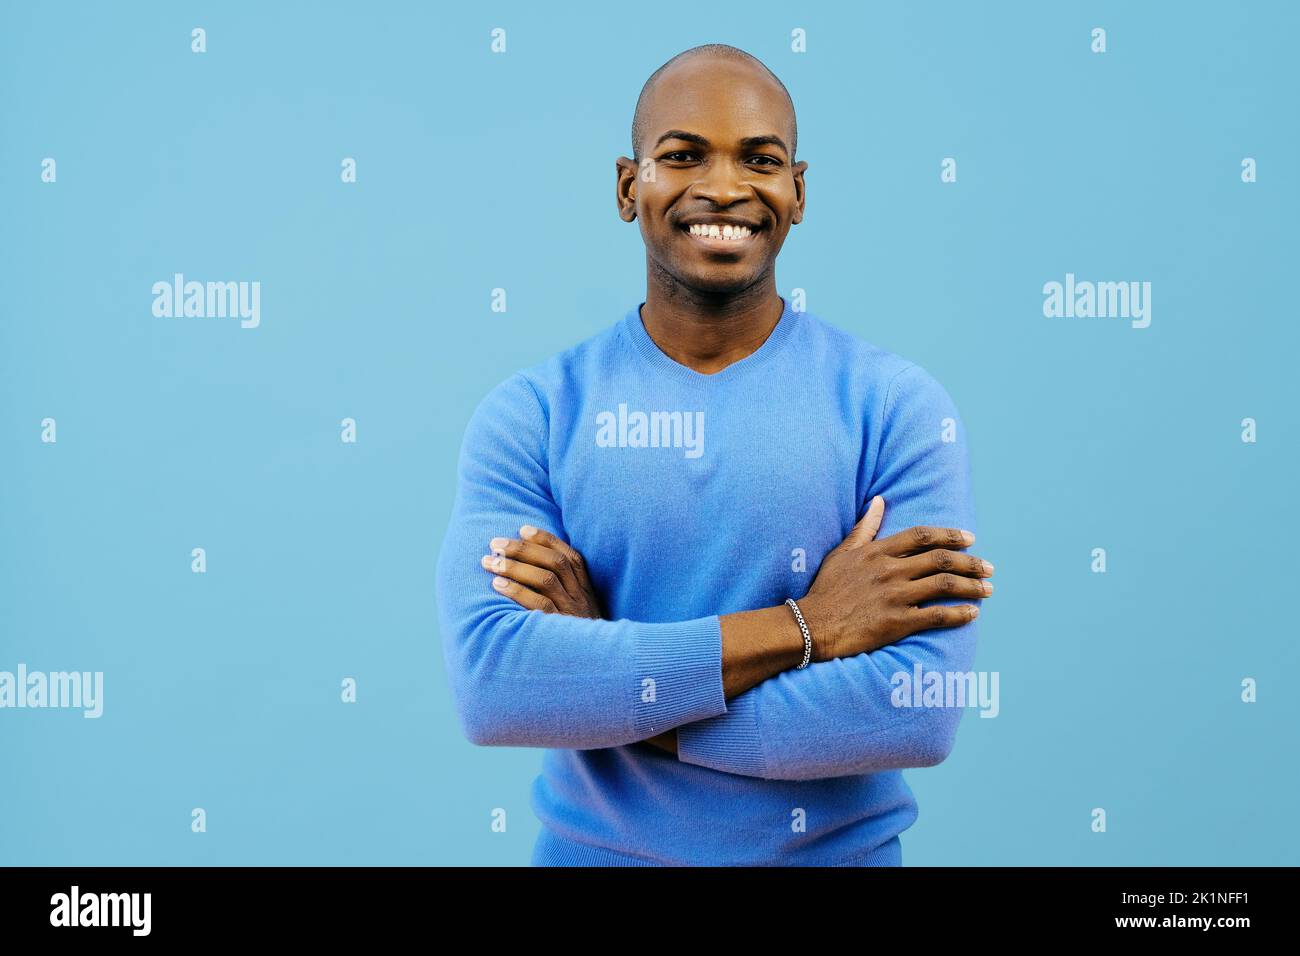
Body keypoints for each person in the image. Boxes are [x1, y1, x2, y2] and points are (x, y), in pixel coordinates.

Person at [434, 43, 995, 866]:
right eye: (683, 155)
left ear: (797, 193)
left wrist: (616, 685)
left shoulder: (897, 408)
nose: (725, 186)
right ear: (631, 188)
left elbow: (915, 710)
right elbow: (498, 690)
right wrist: (811, 628)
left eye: (760, 159)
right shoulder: (532, 415)